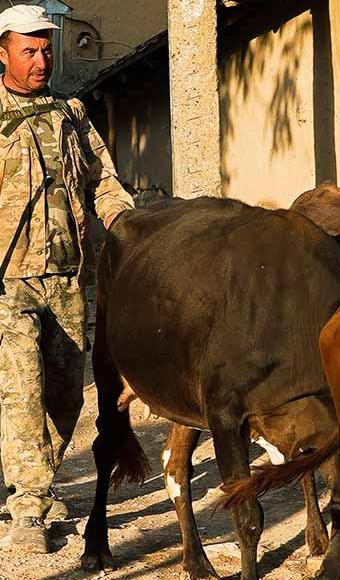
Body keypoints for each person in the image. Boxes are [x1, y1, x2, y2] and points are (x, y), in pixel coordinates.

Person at [0, 5, 133, 553]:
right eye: (29, 50)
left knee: (64, 397)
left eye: (47, 49)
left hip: (68, 276)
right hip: (9, 281)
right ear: (2, 52)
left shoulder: (72, 114)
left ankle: (37, 480)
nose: (41, 59)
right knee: (22, 391)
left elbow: (103, 182)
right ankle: (29, 508)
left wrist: (124, 221)